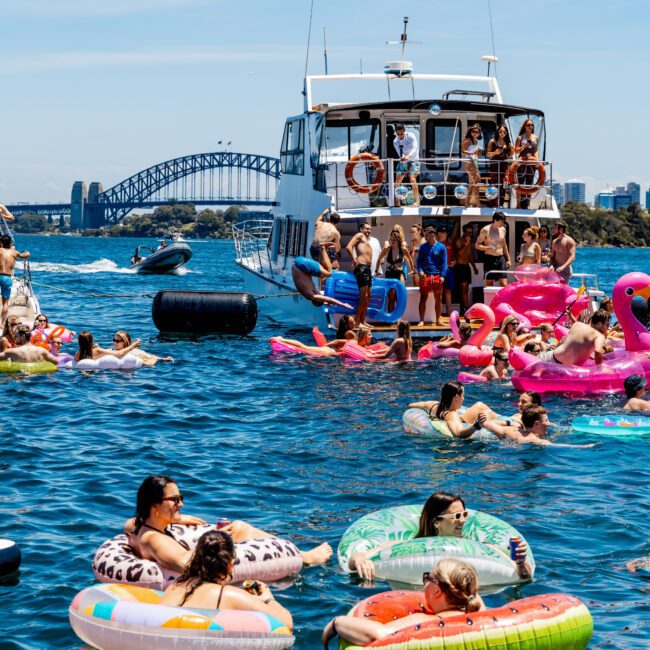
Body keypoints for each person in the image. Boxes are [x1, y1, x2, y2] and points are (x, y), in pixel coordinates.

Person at [125, 475, 332, 574]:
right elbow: (184, 564)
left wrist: (178, 517)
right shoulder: (154, 539)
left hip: (156, 520)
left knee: (239, 527)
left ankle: (302, 554)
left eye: (181, 497)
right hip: (203, 572)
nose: (182, 504)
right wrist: (215, 541)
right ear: (155, 507)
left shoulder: (138, 527)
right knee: (242, 530)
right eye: (175, 500)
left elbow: (130, 522)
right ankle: (305, 558)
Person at [346, 491, 531, 581]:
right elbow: (355, 559)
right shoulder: (409, 546)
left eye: (465, 515)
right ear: (436, 522)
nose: (463, 521)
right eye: (457, 516)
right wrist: (360, 558)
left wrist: (521, 562)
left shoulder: (480, 548)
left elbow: (524, 576)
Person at [323, 558, 484, 647]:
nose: (424, 583)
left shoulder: (428, 621)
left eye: (428, 578)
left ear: (436, 591)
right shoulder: (480, 616)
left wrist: (336, 623)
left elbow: (381, 635)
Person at [159, 529, 293, 628]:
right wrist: (268, 599)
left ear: (196, 559)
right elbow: (287, 623)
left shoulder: (174, 587)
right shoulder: (229, 595)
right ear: (230, 563)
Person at [409, 381, 500, 439]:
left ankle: (505, 418)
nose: (463, 398)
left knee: (480, 405)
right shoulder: (452, 415)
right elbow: (459, 434)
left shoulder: (433, 405)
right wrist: (477, 425)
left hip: (453, 417)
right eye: (462, 395)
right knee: (485, 410)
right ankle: (506, 419)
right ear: (456, 397)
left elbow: (411, 405)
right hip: (459, 422)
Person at [291, 245, 353, 310]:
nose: (320, 293)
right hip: (298, 263)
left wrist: (342, 304)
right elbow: (325, 300)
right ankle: (322, 251)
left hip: (300, 265)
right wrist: (326, 303)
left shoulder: (311, 296)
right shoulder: (310, 293)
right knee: (323, 270)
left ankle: (323, 247)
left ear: (318, 299)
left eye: (321, 296)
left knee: (329, 273)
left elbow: (327, 299)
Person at [539, 309, 609, 366]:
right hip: (556, 365)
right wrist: (600, 368)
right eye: (607, 324)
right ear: (599, 324)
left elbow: (574, 345)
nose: (608, 328)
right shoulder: (599, 335)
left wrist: (591, 357)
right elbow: (598, 351)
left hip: (547, 357)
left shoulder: (577, 324)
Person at [272, 325, 373, 358]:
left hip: (331, 354)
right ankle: (281, 339)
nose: (371, 336)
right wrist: (325, 346)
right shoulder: (354, 342)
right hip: (328, 352)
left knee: (305, 350)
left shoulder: (362, 346)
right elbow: (337, 341)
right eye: (369, 334)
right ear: (364, 336)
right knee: (304, 348)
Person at [416, 228, 447, 327]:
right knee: (423, 297)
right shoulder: (423, 247)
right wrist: (420, 271)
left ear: (433, 235)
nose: (425, 237)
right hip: (426, 275)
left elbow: (444, 263)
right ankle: (421, 320)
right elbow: (418, 261)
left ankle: (438, 319)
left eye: (427, 235)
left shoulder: (441, 247)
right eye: (425, 235)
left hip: (437, 275)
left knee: (438, 298)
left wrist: (443, 275)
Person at [346, 222, 374, 327]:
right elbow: (349, 247)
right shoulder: (359, 235)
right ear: (361, 229)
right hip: (361, 268)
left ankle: (362, 321)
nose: (369, 231)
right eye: (367, 229)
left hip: (367, 268)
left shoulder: (366, 240)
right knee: (363, 296)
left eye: (370, 229)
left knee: (368, 296)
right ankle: (357, 322)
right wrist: (354, 259)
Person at [0, 235, 30, 323]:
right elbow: (24, 255)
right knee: (5, 303)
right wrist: (27, 253)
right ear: (10, 244)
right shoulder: (14, 253)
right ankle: (1, 324)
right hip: (7, 278)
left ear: (1, 243)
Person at [475, 213, 510, 287]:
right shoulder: (485, 230)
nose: (503, 223)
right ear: (495, 220)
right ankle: (490, 298)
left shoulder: (503, 229)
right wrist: (487, 247)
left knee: (504, 283)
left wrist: (508, 259)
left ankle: (503, 298)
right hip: (489, 258)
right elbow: (477, 245)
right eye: (501, 221)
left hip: (500, 257)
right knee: (489, 283)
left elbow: (504, 245)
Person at [512, 119, 539, 209]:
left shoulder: (535, 137)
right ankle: (518, 204)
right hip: (522, 161)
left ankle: (527, 204)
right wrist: (524, 146)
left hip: (531, 162)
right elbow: (516, 150)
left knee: (529, 183)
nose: (530, 127)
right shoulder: (520, 137)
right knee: (520, 182)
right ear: (525, 126)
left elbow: (536, 150)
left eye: (532, 125)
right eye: (528, 125)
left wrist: (536, 160)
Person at [453, 224, 478, 314]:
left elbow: (469, 254)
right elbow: (458, 253)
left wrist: (474, 266)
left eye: (471, 233)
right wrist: (465, 244)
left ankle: (463, 308)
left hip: (467, 267)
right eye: (467, 233)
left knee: (465, 289)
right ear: (464, 232)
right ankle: (467, 309)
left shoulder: (469, 241)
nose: (469, 235)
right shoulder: (459, 240)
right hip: (460, 267)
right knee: (463, 289)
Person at [393, 123, 420, 207]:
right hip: (404, 160)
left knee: (412, 178)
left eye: (401, 134)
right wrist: (404, 158)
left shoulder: (411, 136)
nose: (400, 136)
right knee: (398, 179)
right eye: (398, 134)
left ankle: (416, 201)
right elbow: (399, 153)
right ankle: (397, 201)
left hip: (414, 160)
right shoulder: (395, 141)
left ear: (404, 131)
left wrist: (408, 156)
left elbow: (415, 148)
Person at [486, 125, 513, 207]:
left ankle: (500, 203)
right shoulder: (492, 141)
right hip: (494, 165)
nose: (502, 133)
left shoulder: (508, 143)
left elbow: (510, 155)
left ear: (506, 133)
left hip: (503, 165)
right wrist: (495, 153)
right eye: (500, 132)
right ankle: (492, 203)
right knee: (494, 183)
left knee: (503, 185)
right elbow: (487, 154)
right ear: (497, 132)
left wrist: (512, 149)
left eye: (504, 132)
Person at [74, 330, 141, 362]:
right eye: (114, 340)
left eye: (117, 341)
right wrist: (133, 345)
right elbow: (119, 353)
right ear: (91, 341)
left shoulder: (77, 354)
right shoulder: (97, 351)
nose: (115, 342)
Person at [461, 124, 483, 208]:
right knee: (477, 181)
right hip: (469, 162)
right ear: (470, 131)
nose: (475, 133)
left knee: (472, 183)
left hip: (474, 161)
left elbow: (475, 152)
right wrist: (471, 153)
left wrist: (478, 152)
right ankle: (477, 203)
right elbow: (462, 151)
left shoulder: (476, 141)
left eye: (477, 132)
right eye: (473, 131)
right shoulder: (468, 140)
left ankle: (467, 202)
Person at [436, 227, 455, 318]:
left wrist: (454, 262)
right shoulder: (435, 245)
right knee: (439, 292)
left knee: (448, 291)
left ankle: (449, 312)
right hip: (438, 271)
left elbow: (453, 257)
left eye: (444, 233)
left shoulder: (449, 245)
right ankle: (438, 314)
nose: (443, 234)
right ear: (438, 234)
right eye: (441, 232)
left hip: (449, 270)